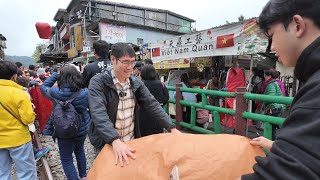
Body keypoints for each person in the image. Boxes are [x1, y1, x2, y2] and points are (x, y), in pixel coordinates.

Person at [242, 0, 320, 179]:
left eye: (272, 36)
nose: (272, 47)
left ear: (297, 25)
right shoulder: (309, 79)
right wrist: (278, 146)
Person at [88, 42, 179, 166]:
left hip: (131, 140)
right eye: (126, 62)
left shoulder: (135, 82)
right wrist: (114, 140)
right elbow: (98, 113)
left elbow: (152, 104)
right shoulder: (98, 83)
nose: (130, 67)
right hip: (107, 142)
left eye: (132, 62)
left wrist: (171, 127)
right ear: (113, 59)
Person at [41, 64, 90, 180]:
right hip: (80, 129)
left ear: (61, 78)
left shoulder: (54, 92)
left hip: (63, 130)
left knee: (66, 159)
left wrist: (55, 75)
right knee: (80, 151)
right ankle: (83, 176)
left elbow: (44, 86)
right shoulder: (84, 92)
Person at [0, 61, 37, 180]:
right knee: (26, 174)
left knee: (2, 174)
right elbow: (27, 119)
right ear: (14, 76)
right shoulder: (19, 93)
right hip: (18, 139)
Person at [139, 64, 170, 136]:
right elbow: (166, 98)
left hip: (143, 114)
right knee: (158, 136)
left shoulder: (140, 84)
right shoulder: (161, 84)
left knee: (144, 136)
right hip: (158, 114)